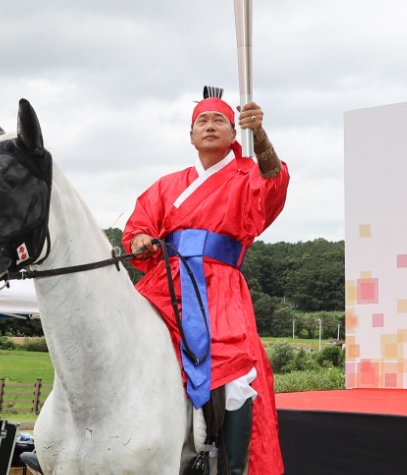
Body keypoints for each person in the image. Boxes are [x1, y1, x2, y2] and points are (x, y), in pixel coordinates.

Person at [122, 88, 289, 475]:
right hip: (169, 282)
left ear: (234, 134)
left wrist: (260, 134)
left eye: (220, 121)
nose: (210, 126)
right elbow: (137, 231)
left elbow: (273, 183)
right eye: (202, 120)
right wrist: (141, 240)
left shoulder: (246, 173)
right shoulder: (166, 185)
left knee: (235, 372)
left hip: (219, 289)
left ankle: (231, 468)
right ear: (191, 135)